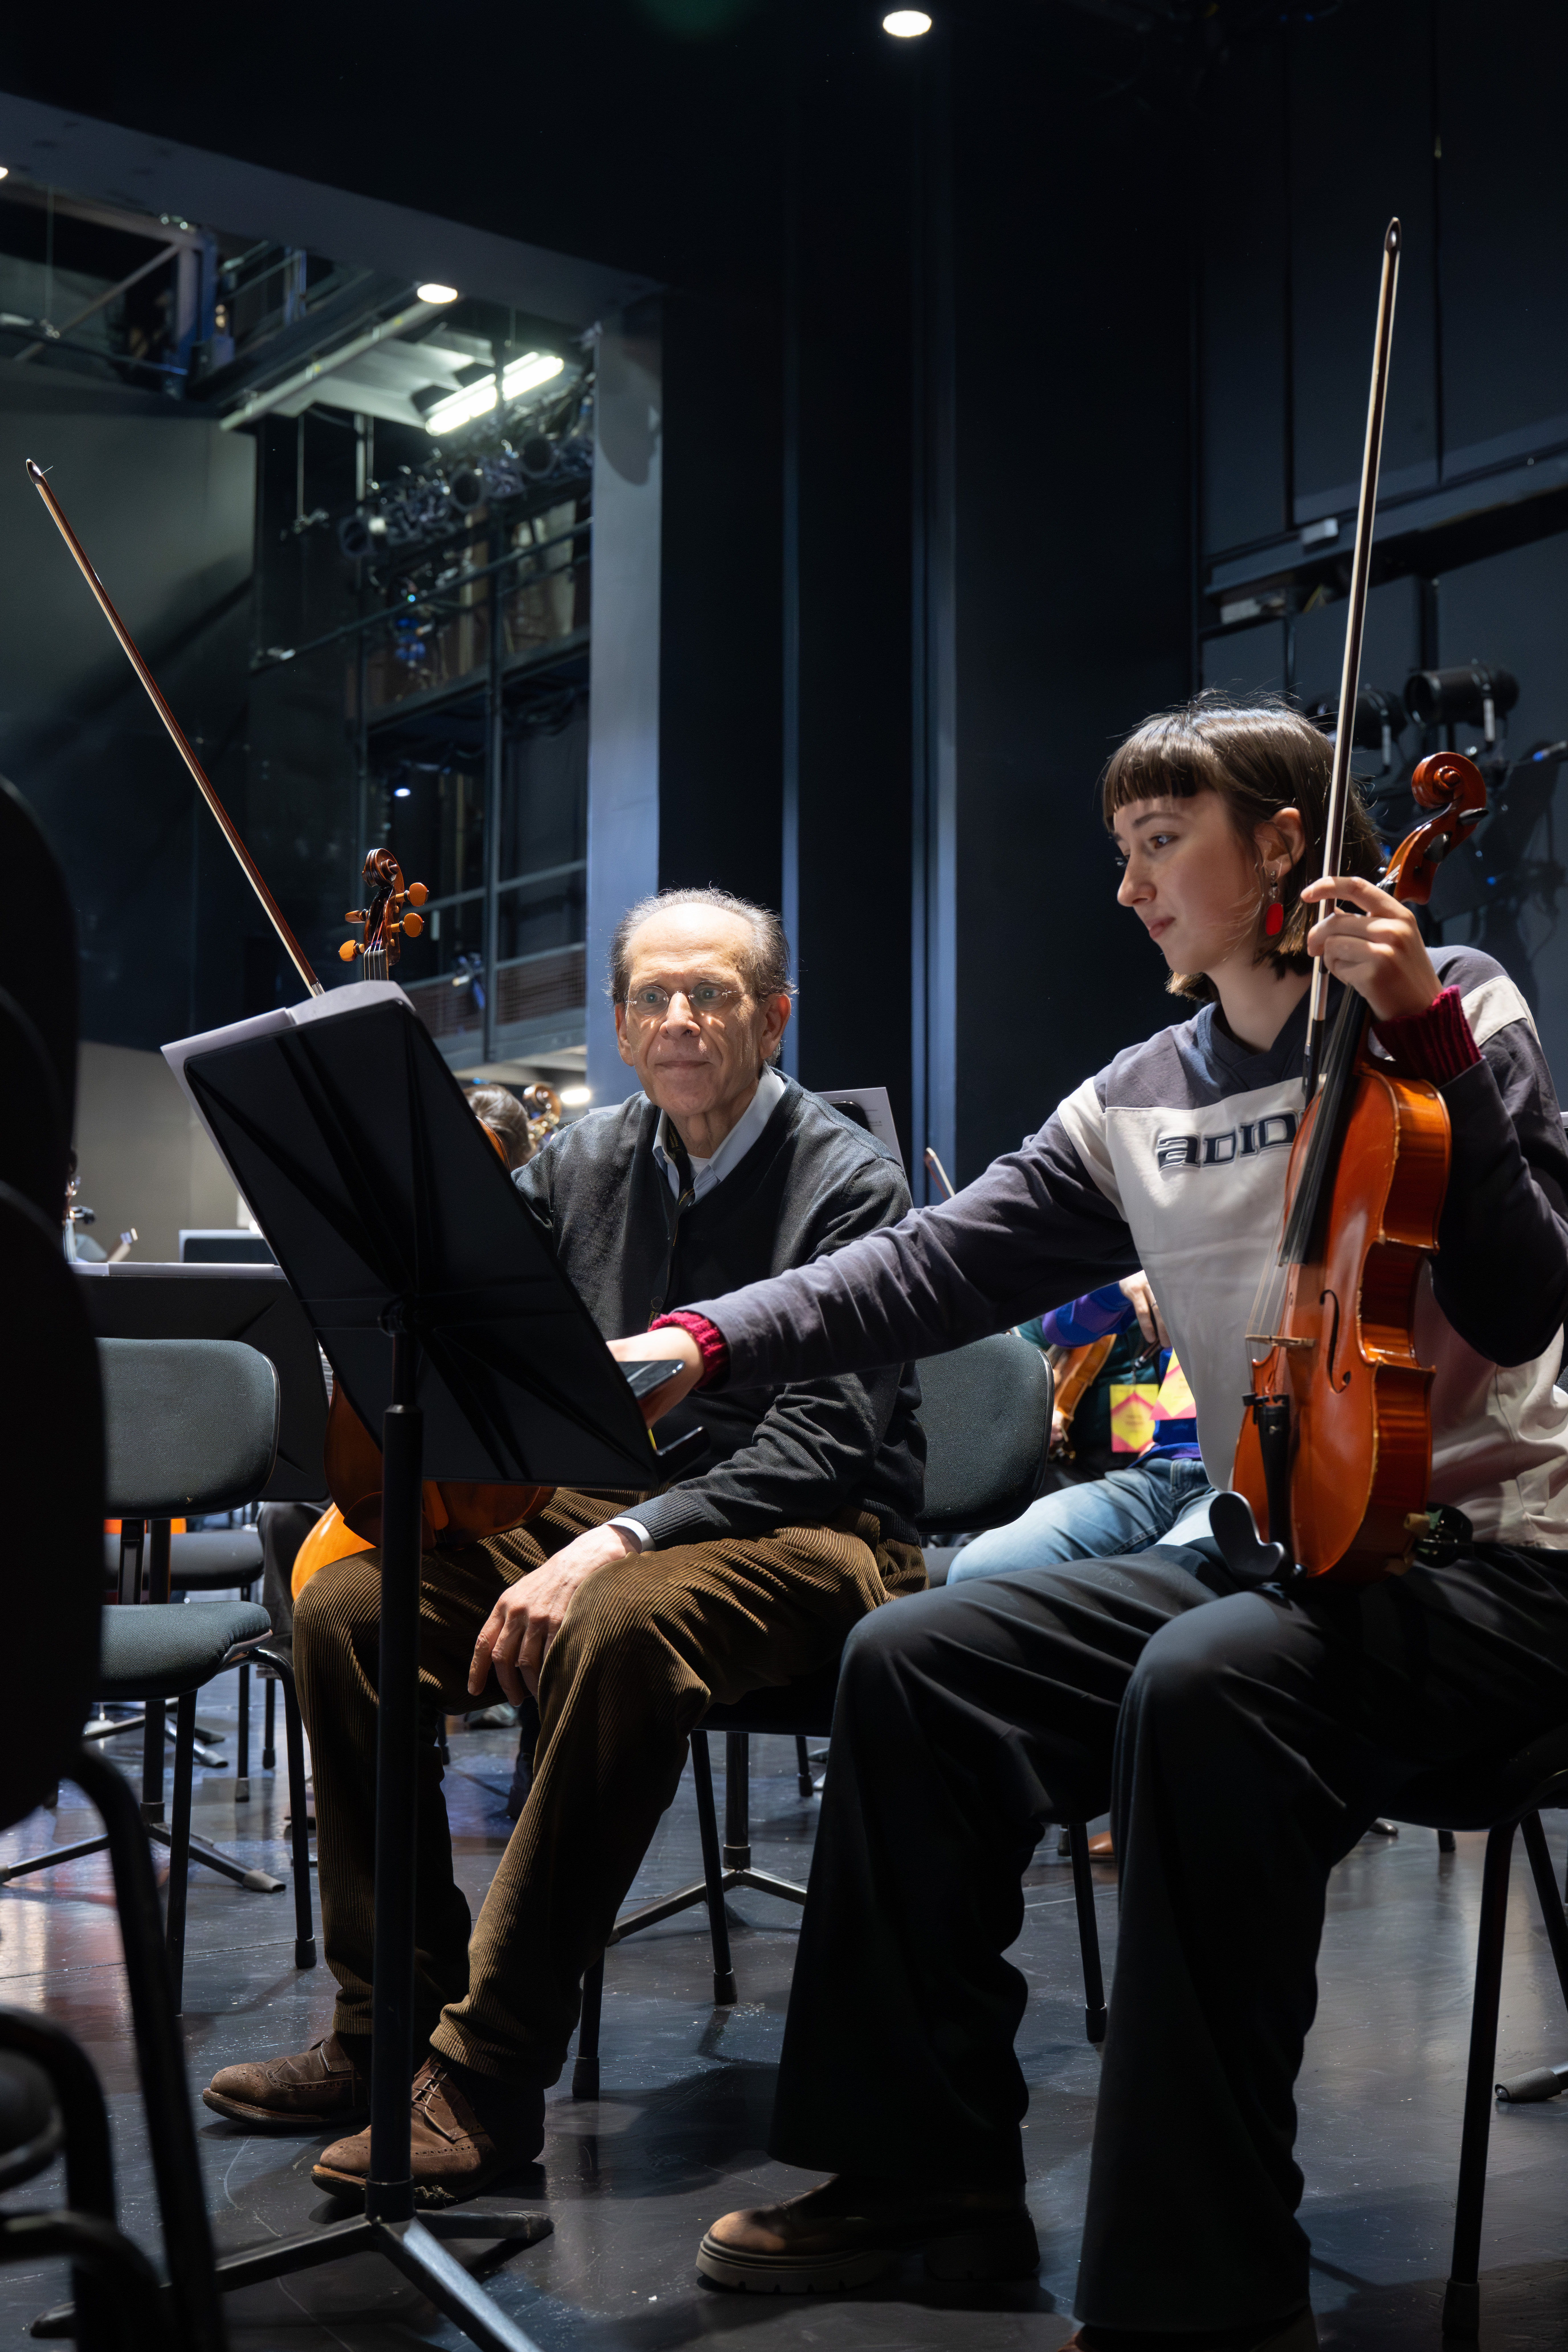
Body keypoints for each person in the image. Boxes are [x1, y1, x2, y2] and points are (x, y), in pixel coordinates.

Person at [609, 697, 1568, 2346]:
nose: (1125, 889)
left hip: (1505, 1569)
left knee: (1212, 1683)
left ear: (1279, 845)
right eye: (1118, 850)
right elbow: (926, 1263)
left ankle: (1198, 2290)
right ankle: (923, 2177)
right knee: (916, 1655)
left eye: (1156, 846)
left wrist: (1410, 1028)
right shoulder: (1135, 1093)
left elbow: (1523, 1282)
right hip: (1296, 1555)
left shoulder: (1455, 1004)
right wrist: (703, 1336)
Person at [204, 885, 926, 2201]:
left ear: (774, 1016)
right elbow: (489, 1345)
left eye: (712, 992)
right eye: (653, 993)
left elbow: (824, 1443)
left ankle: (484, 2076)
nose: (680, 1017)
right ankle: (385, 2035)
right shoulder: (581, 1161)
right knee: (345, 1611)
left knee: (620, 1615)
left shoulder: (847, 1180)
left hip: (815, 1530)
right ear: (619, 1017)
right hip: (600, 1508)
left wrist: (620, 1539)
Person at [952, 1269, 1216, 1581]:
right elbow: (1057, 1326)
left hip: (1204, 1468)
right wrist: (1118, 1284)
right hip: (1150, 1470)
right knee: (975, 1569)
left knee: (1173, 1582)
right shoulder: (1164, 1262)